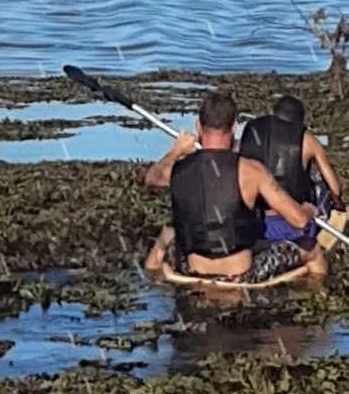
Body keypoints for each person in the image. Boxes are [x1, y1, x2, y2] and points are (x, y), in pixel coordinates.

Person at [144, 91, 323, 283]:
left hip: (191, 269)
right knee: (312, 249)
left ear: (198, 126)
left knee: (169, 232)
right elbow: (299, 220)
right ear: (234, 127)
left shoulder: (178, 168)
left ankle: (151, 274)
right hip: (241, 274)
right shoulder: (252, 170)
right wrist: (309, 209)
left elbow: (151, 178)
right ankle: (314, 291)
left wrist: (176, 150)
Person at [238, 95, 345, 252]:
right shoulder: (307, 140)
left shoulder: (251, 130)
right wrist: (338, 206)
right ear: (300, 121)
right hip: (293, 224)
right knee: (322, 186)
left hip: (255, 222)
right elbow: (335, 189)